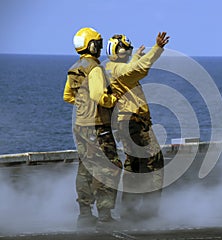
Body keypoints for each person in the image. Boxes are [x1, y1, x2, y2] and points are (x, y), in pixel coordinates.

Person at [105, 32, 170, 222]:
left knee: (133, 165)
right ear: (119, 51)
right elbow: (139, 69)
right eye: (126, 49)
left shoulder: (111, 68)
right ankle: (150, 212)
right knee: (154, 162)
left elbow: (132, 68)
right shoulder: (118, 70)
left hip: (125, 124)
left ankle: (128, 210)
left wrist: (136, 57)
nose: (127, 52)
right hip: (134, 122)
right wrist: (157, 48)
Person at [63, 27, 122, 229]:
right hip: (98, 127)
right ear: (92, 45)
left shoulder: (75, 68)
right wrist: (113, 99)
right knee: (108, 168)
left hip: (81, 127)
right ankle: (105, 216)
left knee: (85, 170)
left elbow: (68, 96)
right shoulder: (95, 69)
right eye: (98, 42)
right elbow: (99, 96)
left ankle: (85, 214)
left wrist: (83, 106)